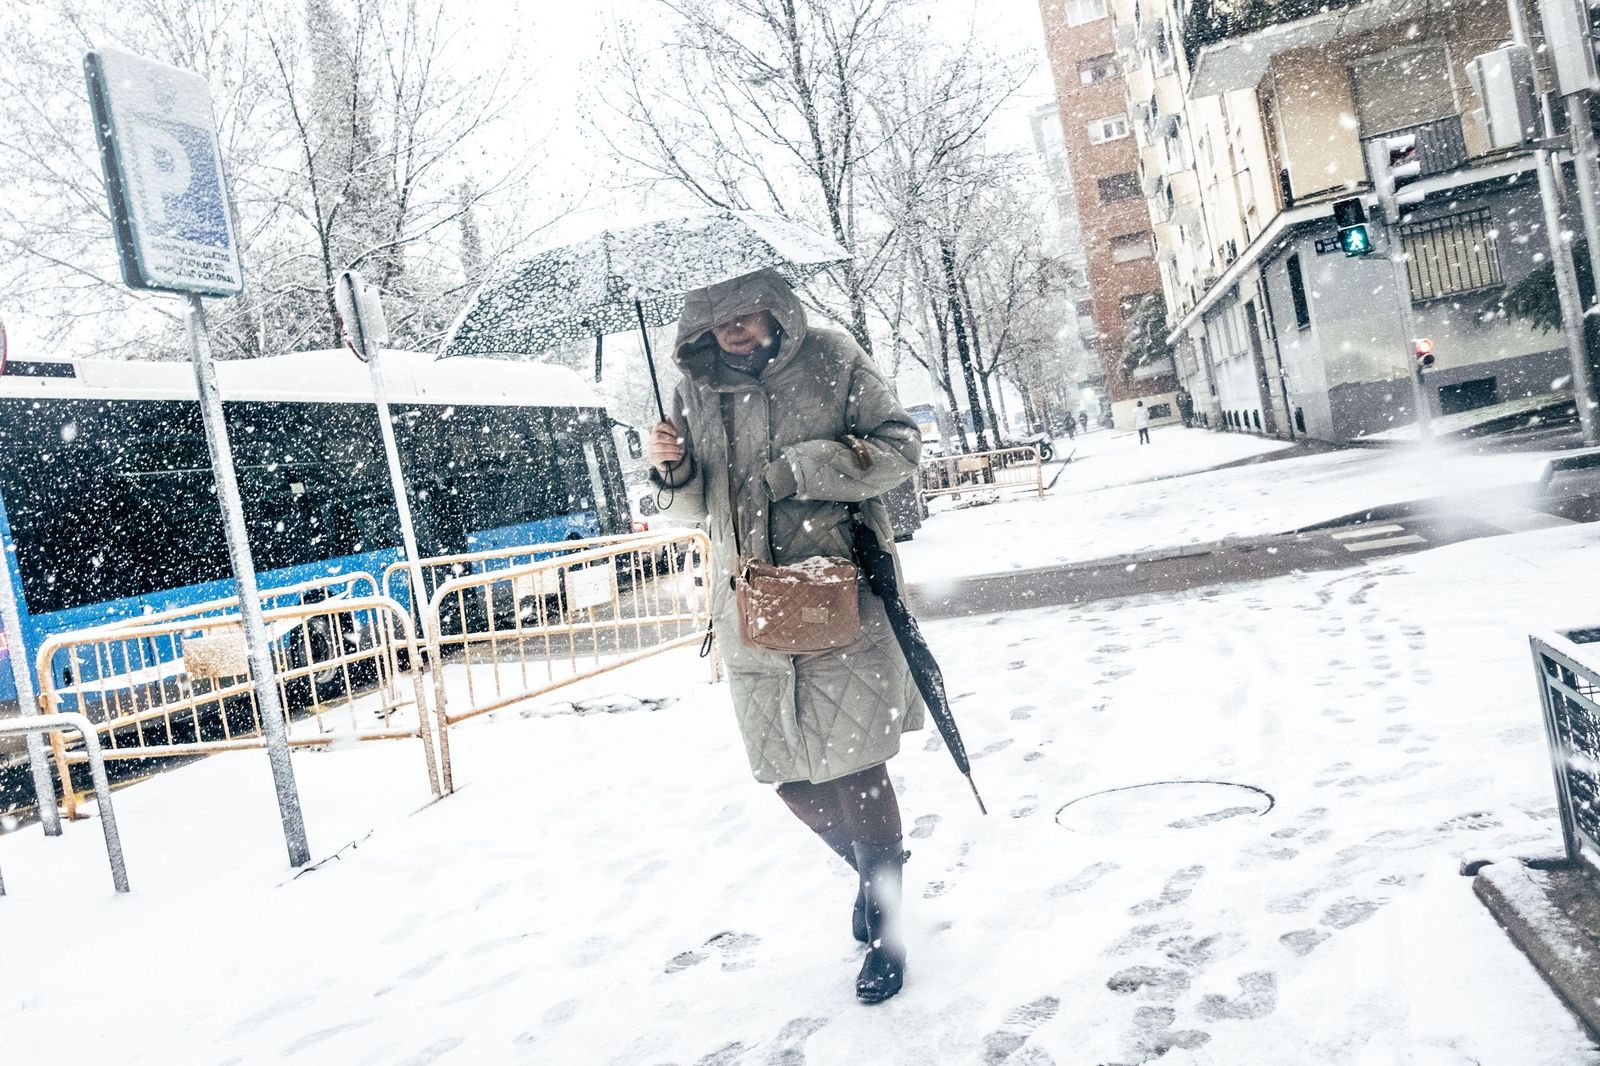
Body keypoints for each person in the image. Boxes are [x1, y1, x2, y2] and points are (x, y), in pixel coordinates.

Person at [645, 268, 925, 1005]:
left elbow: (901, 445)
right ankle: (875, 871)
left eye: (744, 313)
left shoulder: (834, 358)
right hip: (752, 611)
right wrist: (672, 470)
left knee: (856, 768)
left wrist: (805, 469)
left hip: (842, 596)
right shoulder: (697, 392)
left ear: (775, 308)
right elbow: (698, 506)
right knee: (792, 780)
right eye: (717, 319)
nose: (732, 329)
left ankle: (888, 931)